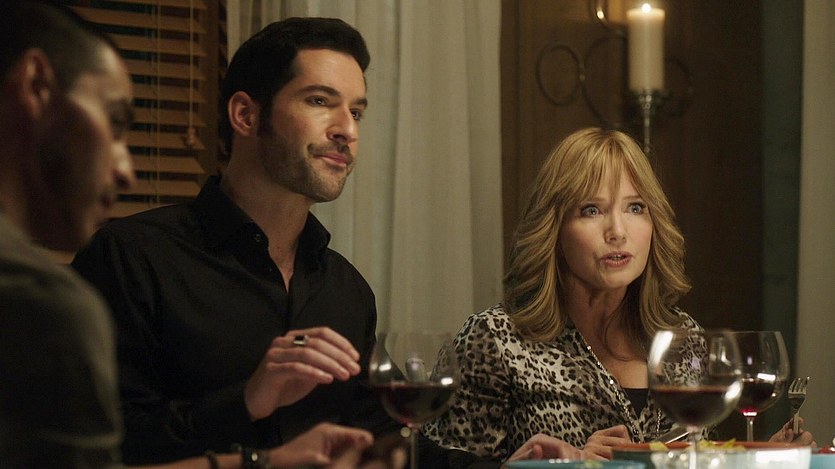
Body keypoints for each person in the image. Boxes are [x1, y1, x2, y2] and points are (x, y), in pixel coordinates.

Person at [0, 2, 398, 468]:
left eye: (357, 112)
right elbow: (106, 449)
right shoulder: (131, 259)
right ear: (245, 115)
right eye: (319, 101)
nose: (347, 130)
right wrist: (244, 403)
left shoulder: (349, 290)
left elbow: (380, 435)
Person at [423, 127, 816, 461]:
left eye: (635, 208)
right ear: (554, 229)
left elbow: (693, 460)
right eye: (591, 210)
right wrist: (567, 466)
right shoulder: (494, 339)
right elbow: (439, 466)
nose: (617, 231)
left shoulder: (683, 339)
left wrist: (760, 457)